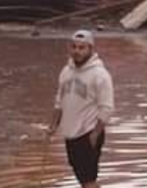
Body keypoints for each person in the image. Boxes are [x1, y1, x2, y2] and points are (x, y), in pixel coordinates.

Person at [48, 30, 115, 188]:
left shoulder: (100, 75)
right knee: (82, 177)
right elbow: (59, 102)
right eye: (74, 47)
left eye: (81, 48)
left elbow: (107, 108)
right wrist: (53, 125)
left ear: (90, 49)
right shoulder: (66, 72)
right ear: (69, 48)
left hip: (89, 133)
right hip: (70, 133)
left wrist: (95, 134)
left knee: (88, 179)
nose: (77, 51)